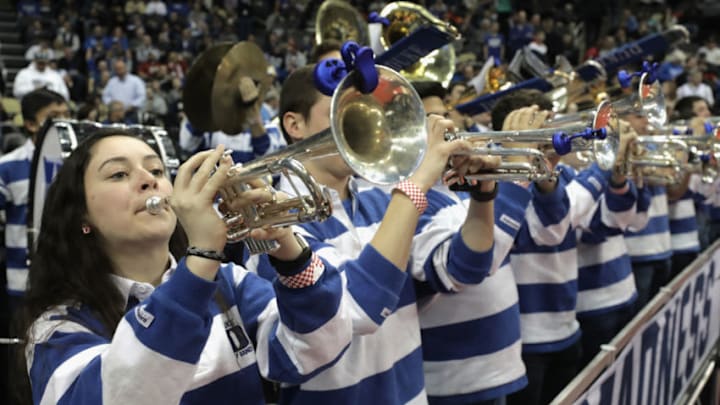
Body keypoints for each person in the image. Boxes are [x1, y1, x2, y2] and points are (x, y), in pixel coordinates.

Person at [18, 131, 352, 404]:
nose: (149, 180)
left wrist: (288, 247)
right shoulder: (56, 330)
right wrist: (202, 257)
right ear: (82, 217)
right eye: (119, 174)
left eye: (158, 171)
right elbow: (126, 394)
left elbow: (319, 347)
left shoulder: (228, 282)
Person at [246, 65, 496, 404]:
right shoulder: (276, 221)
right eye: (337, 113)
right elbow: (360, 310)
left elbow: (463, 270)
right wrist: (417, 182)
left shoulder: (380, 198)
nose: (356, 127)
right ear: (294, 125)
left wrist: (483, 196)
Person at [412, 81, 532, 405]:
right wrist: (517, 165)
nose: (445, 127)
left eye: (444, 115)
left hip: (498, 365)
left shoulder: (456, 182)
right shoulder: (410, 201)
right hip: (456, 382)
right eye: (429, 121)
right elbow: (478, 265)